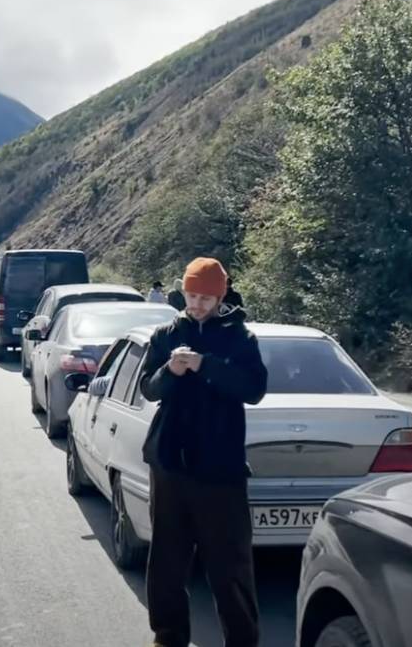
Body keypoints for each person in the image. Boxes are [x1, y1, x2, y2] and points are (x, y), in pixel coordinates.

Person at [138, 258, 268, 647]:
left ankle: (243, 641)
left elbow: (254, 389)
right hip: (170, 462)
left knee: (231, 567)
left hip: (221, 467)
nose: (196, 305)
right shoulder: (165, 334)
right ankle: (167, 637)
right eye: (192, 296)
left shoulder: (240, 338)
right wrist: (170, 373)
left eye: (205, 298)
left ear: (220, 296)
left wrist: (206, 366)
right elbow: (148, 387)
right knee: (167, 561)